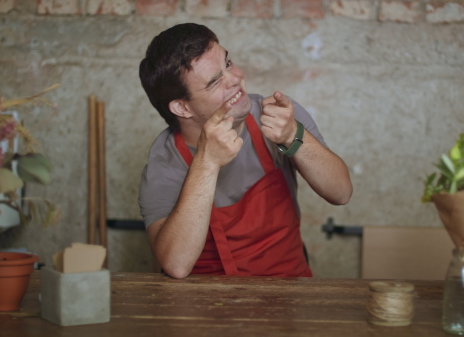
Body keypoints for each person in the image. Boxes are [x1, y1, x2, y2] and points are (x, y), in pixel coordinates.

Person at [138, 23, 352, 279]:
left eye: (227, 64)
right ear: (183, 108)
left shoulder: (276, 115)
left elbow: (341, 193)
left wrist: (293, 136)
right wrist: (207, 162)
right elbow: (176, 264)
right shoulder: (164, 160)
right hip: (201, 302)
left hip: (287, 292)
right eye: (215, 81)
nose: (236, 79)